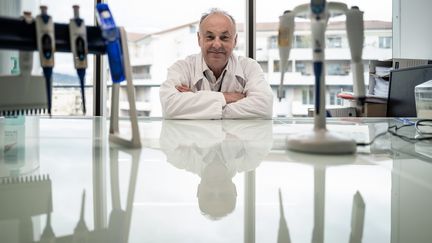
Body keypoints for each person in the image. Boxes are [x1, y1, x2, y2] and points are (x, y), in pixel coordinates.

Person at [159, 8, 273, 119]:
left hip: (234, 138)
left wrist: (198, 104)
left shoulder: (249, 67)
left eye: (224, 38)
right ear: (199, 39)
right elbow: (169, 106)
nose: (217, 44)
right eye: (210, 37)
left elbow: (264, 106)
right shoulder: (182, 68)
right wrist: (227, 97)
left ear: (235, 40)